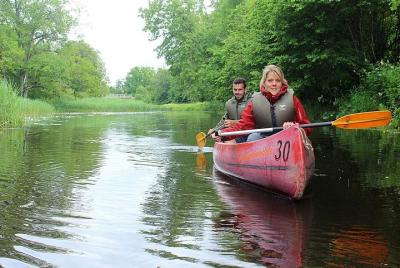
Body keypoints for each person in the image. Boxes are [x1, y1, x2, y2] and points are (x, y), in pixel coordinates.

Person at [212, 65, 311, 143]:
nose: (274, 84)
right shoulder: (254, 102)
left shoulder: (293, 99)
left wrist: (294, 127)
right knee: (252, 137)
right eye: (270, 80)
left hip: (287, 138)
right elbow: (242, 126)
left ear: (282, 83)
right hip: (263, 140)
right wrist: (222, 133)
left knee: (296, 136)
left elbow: (307, 127)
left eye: (278, 80)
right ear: (264, 83)